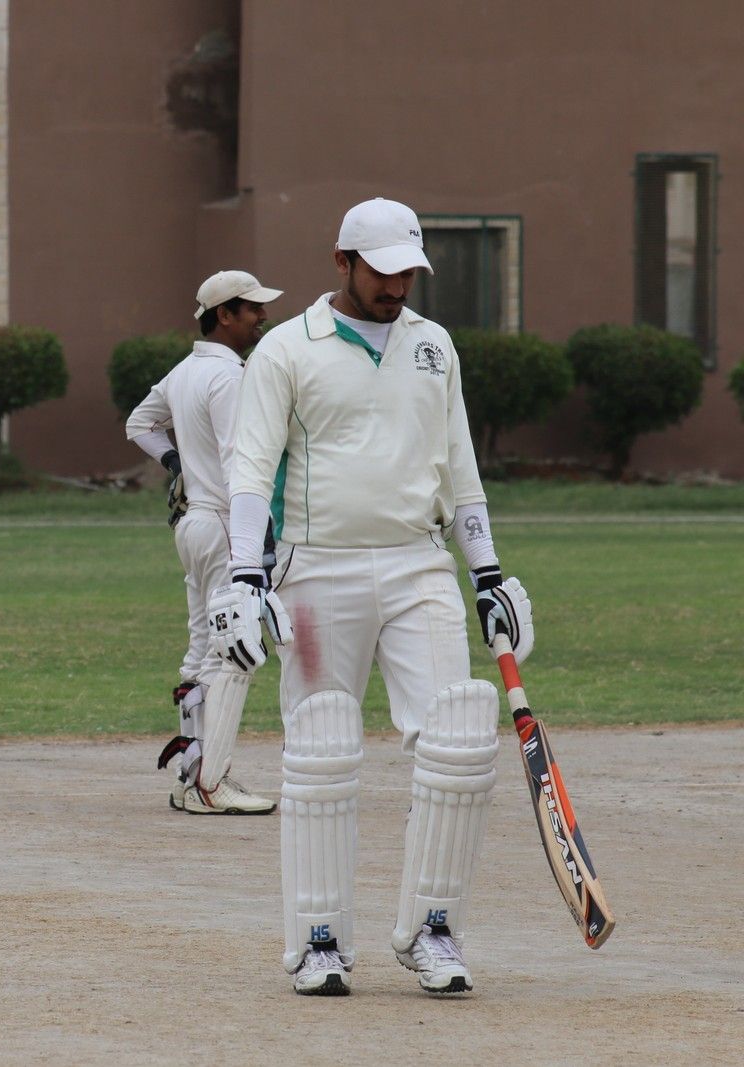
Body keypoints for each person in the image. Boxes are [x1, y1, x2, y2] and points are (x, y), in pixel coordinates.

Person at [206, 198, 534, 997]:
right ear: (342, 261)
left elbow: (460, 467)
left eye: (407, 272)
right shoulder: (288, 348)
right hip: (317, 570)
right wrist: (245, 575)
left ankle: (434, 930)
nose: (396, 286)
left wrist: (488, 571)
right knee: (321, 745)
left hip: (421, 565)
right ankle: (317, 942)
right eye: (381, 271)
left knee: (459, 741)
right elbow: (251, 470)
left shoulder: (433, 345)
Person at [126, 270, 284, 816]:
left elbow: (139, 424)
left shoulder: (185, 370)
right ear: (224, 315)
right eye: (252, 309)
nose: (262, 317)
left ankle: (192, 777)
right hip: (224, 524)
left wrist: (177, 463)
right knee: (234, 649)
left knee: (202, 651)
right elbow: (242, 461)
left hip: (194, 525)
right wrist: (257, 533)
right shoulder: (230, 376)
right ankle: (210, 783)